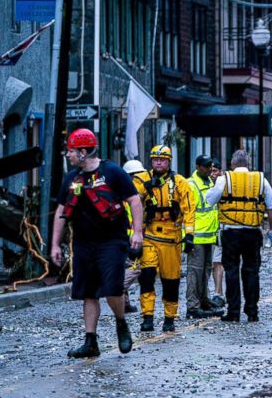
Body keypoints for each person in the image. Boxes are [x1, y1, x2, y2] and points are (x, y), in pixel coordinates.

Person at [51, 128, 141, 358]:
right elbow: (61, 210)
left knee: (112, 289)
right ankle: (90, 341)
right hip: (83, 243)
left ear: (83, 151)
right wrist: (54, 245)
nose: (68, 155)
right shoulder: (72, 178)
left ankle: (121, 323)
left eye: (70, 151)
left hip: (112, 241)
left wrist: (137, 232)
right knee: (87, 292)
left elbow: (134, 200)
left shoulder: (112, 171)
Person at [205, 149, 272, 323]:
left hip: (230, 232)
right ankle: (252, 311)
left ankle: (233, 312)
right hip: (252, 232)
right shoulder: (261, 179)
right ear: (248, 164)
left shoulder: (224, 179)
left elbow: (210, 200)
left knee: (231, 271)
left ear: (232, 163)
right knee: (252, 271)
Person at [133, 144, 191, 333]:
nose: (158, 162)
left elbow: (189, 209)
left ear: (168, 162)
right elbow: (131, 203)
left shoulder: (180, 182)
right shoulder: (142, 180)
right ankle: (147, 317)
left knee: (171, 280)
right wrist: (135, 233)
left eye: (162, 160)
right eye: (155, 159)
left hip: (171, 236)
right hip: (149, 234)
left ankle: (169, 317)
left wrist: (189, 234)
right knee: (147, 277)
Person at [185, 155, 222, 319]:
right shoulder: (191, 185)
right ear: (198, 167)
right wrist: (188, 236)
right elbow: (188, 212)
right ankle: (193, 306)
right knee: (195, 272)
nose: (209, 170)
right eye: (206, 167)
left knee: (205, 271)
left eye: (211, 167)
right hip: (197, 237)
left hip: (208, 236)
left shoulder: (209, 183)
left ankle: (204, 301)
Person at [121, 159, 147, 314]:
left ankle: (124, 302)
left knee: (128, 268)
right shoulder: (131, 196)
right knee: (135, 268)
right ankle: (117, 290)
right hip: (132, 238)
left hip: (130, 237)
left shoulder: (127, 194)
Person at [208, 159, 225, 308]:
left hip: (221, 230)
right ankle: (216, 293)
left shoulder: (223, 184)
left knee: (218, 262)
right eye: (211, 171)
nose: (213, 174)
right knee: (214, 263)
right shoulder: (202, 185)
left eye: (215, 171)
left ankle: (219, 293)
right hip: (206, 232)